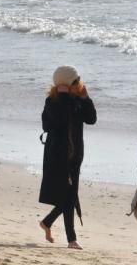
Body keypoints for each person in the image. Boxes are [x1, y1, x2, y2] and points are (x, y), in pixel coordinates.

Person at [38, 65, 97, 250]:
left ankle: (48, 223)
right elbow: (55, 122)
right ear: (66, 84)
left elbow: (91, 119)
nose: (80, 83)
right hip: (58, 156)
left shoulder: (77, 101)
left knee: (69, 195)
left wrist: (86, 99)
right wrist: (63, 96)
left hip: (75, 156)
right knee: (68, 196)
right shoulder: (53, 102)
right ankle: (71, 239)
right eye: (76, 81)